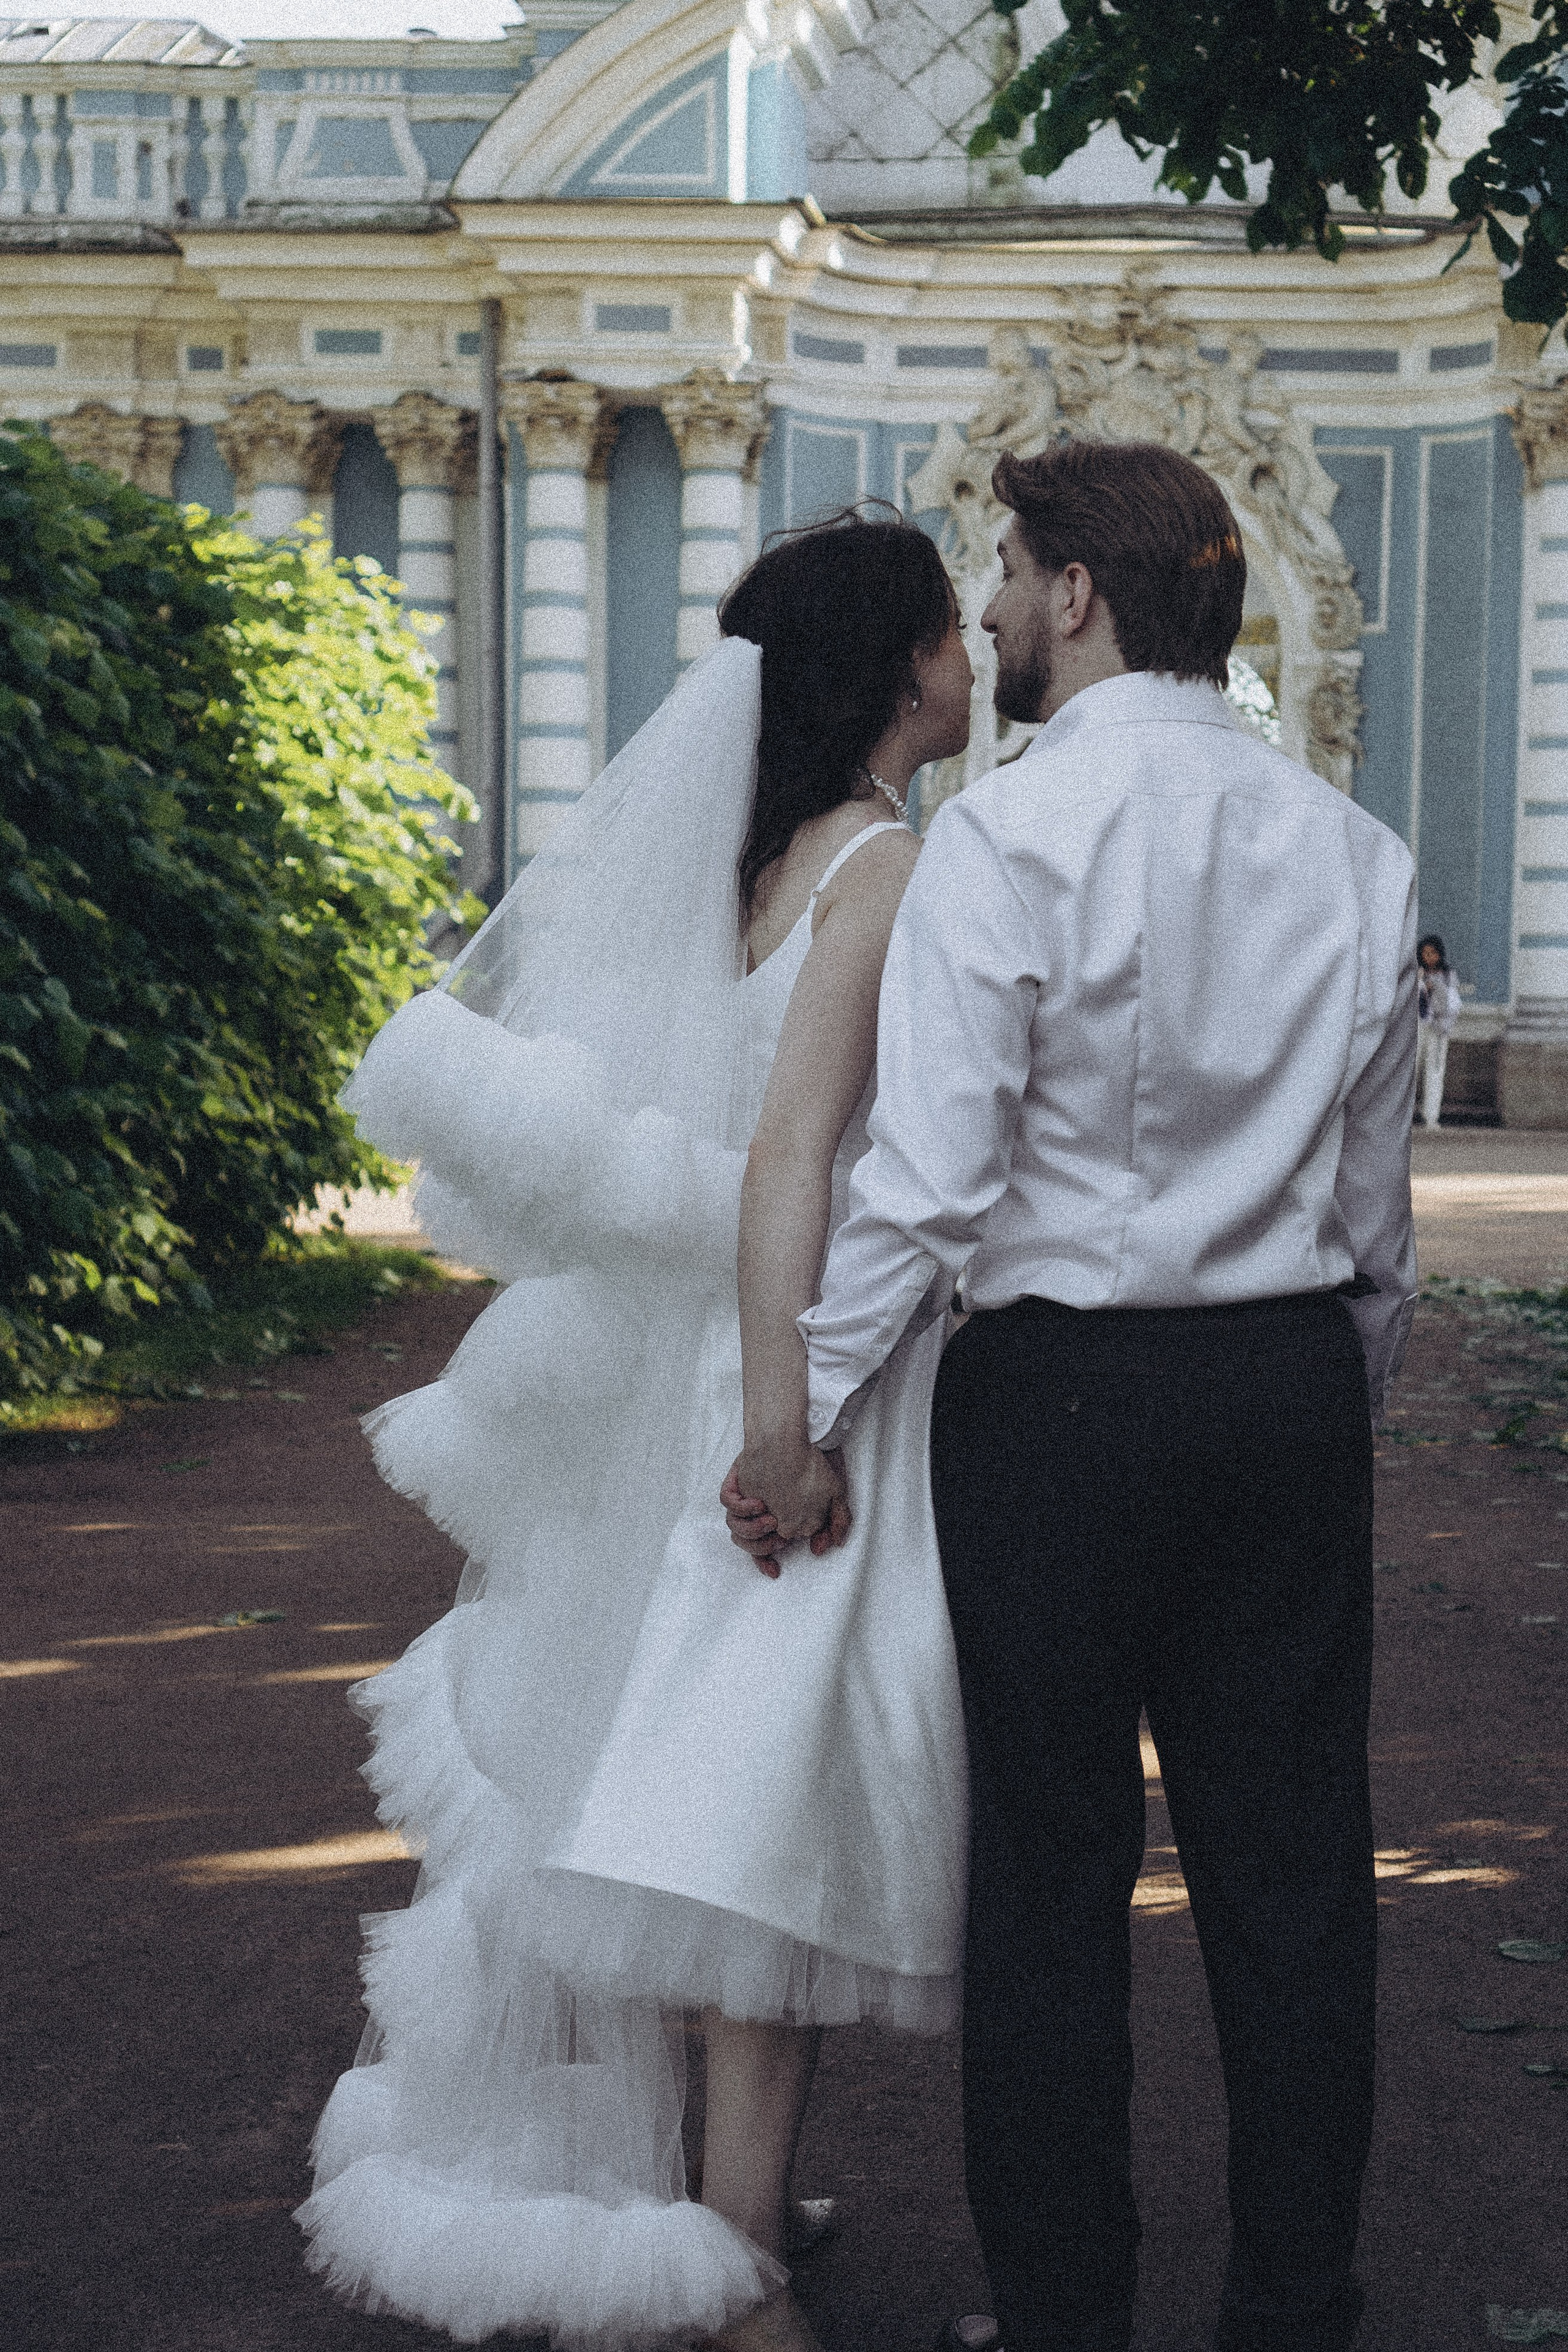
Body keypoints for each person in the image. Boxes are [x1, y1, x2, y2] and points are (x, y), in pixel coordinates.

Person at [728, 439, 1417, 2352]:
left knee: (1044, 1879)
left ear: (1082, 593)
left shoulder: (1003, 840)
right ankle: (1293, 2309)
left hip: (1052, 1403)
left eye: (1012, 572)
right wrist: (1324, 1394)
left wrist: (798, 1420)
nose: (996, 606)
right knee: (1297, 1876)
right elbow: (1378, 1221)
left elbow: (929, 1186)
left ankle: (1063, 2317)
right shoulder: (1356, 853)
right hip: (1283, 1380)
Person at [295, 508, 974, 2352]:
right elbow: (787, 1165)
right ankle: (732, 2267)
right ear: (897, 668)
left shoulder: (744, 865)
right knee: (762, 1831)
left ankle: (697, 2205)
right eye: (944, 629)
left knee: (656, 1802)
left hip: (670, 1376)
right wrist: (786, 1421)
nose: (967, 657)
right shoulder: (882, 866)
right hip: (779, 1383)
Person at [1416, 932, 1461, 1128]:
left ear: (1440, 954)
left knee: (1435, 1071)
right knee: (1412, 1070)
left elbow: (1454, 1003)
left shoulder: (1449, 976)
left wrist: (1436, 988)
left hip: (1439, 1029)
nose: (1429, 958)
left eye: (1433, 953)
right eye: (1425, 954)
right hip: (1418, 1027)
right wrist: (1421, 986)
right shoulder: (1416, 973)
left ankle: (1431, 1116)